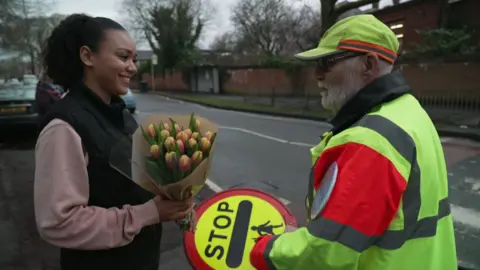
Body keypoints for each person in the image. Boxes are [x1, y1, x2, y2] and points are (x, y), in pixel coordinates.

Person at [250, 14, 457, 270]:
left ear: (368, 65)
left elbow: (325, 254)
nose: (317, 74)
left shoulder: (370, 139)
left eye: (326, 63)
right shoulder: (411, 112)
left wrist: (264, 249)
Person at [34, 14, 194, 270]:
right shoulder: (64, 127)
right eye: (123, 57)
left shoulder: (121, 115)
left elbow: (129, 181)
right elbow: (58, 223)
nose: (132, 67)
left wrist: (170, 193)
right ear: (87, 57)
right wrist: (148, 213)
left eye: (134, 59)